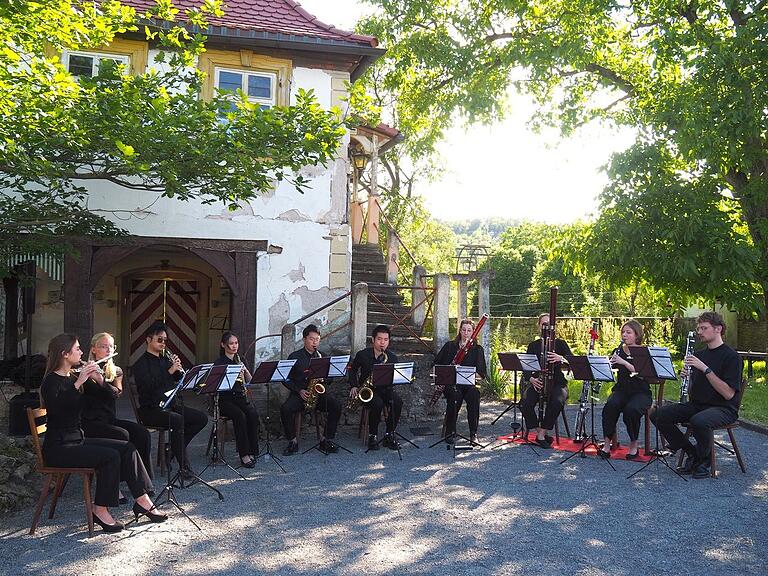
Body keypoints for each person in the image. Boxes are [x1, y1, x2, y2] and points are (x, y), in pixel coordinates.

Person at [40, 334, 166, 533]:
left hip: (77, 440)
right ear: (65, 354)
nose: (82, 353)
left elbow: (108, 395)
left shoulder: (72, 376)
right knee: (110, 457)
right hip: (59, 447)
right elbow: (58, 410)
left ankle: (143, 499)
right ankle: (100, 509)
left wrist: (96, 379)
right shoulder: (51, 381)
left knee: (128, 448)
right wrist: (79, 382)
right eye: (78, 349)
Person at [650, 312, 742, 479]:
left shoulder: (731, 357)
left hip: (723, 408)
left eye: (704, 328)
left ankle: (704, 461)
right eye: (698, 328)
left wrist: (705, 369)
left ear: (718, 329)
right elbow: (696, 389)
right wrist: (688, 376)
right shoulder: (699, 355)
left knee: (699, 420)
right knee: (658, 415)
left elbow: (728, 394)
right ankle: (693, 454)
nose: (700, 332)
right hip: (698, 405)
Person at [132, 321, 208, 477]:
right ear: (148, 339)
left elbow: (179, 381)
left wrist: (179, 371)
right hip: (150, 409)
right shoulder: (140, 364)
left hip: (170, 405)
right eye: (159, 339)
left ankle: (171, 449)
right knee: (177, 420)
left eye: (165, 340)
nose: (163, 343)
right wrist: (170, 371)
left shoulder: (165, 360)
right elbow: (147, 387)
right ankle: (184, 467)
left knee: (201, 418)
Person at [81, 333, 154, 481]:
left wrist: (100, 380)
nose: (108, 350)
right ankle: (117, 477)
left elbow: (116, 394)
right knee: (122, 435)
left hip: (108, 419)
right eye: (103, 346)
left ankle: (142, 479)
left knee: (142, 433)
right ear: (94, 349)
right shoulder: (84, 369)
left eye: (111, 346)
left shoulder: (116, 371)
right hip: (88, 422)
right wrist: (85, 374)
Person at [281, 325, 342, 455]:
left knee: (336, 406)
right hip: (300, 394)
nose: (315, 342)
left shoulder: (323, 357)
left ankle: (326, 439)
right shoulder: (294, 356)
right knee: (285, 409)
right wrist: (299, 390)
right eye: (311, 339)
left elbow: (330, 379)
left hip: (318, 394)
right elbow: (284, 378)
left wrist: (323, 379)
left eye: (317, 339)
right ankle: (292, 441)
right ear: (304, 339)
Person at [596, 320, 652, 460]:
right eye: (623, 332)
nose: (624, 335)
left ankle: (634, 445)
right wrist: (607, 366)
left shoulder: (643, 352)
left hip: (641, 392)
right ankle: (607, 445)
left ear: (637, 335)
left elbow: (643, 372)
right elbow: (612, 368)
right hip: (622, 390)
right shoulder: (618, 350)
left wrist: (624, 363)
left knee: (631, 410)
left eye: (628, 332)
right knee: (610, 406)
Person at [521, 313, 572, 448]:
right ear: (539, 326)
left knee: (557, 401)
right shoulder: (533, 345)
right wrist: (532, 379)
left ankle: (542, 434)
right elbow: (526, 368)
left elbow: (573, 362)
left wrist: (560, 358)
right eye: (544, 324)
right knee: (524, 403)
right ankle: (540, 432)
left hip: (558, 383)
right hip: (539, 382)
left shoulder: (560, 344)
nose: (546, 327)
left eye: (549, 324)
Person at [348, 325, 402, 451]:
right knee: (377, 404)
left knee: (398, 402)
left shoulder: (392, 357)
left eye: (385, 340)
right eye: (379, 339)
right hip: (368, 391)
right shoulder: (363, 355)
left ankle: (390, 434)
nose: (382, 343)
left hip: (386, 389)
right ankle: (373, 436)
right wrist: (354, 385)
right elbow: (352, 369)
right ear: (373, 340)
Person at [433, 318, 487, 445]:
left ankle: (473, 433)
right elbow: (436, 365)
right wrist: (447, 373)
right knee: (454, 395)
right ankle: (450, 431)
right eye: (464, 330)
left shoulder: (478, 349)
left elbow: (481, 374)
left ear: (473, 332)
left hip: (468, 384)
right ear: (460, 331)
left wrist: (467, 373)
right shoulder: (450, 346)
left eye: (469, 330)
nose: (466, 333)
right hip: (451, 384)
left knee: (474, 395)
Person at [212, 332, 260, 467]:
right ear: (223, 345)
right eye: (231, 343)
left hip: (239, 397)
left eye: (236, 343)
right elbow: (216, 385)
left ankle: (252, 451)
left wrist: (245, 371)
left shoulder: (241, 359)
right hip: (224, 399)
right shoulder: (219, 363)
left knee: (252, 414)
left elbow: (250, 381)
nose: (234, 346)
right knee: (240, 416)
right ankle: (244, 454)